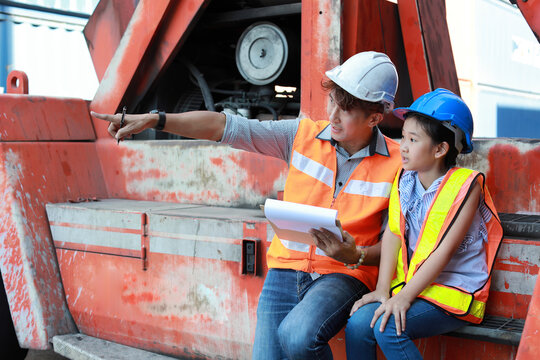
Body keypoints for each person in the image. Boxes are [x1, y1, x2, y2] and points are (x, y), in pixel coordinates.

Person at [91, 51, 402, 359]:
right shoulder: (301, 135)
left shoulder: (398, 164)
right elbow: (223, 127)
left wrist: (355, 254)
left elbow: (395, 244)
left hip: (345, 274)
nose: (333, 115)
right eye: (333, 101)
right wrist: (156, 119)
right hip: (285, 267)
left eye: (345, 111)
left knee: (297, 335)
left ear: (374, 118)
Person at [345, 88, 503, 359]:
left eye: (413, 139)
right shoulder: (405, 180)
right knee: (358, 325)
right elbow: (394, 233)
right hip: (415, 287)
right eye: (403, 136)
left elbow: (444, 251)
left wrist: (404, 298)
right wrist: (383, 290)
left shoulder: (466, 185)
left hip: (454, 291)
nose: (402, 146)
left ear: (441, 149)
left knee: (389, 326)